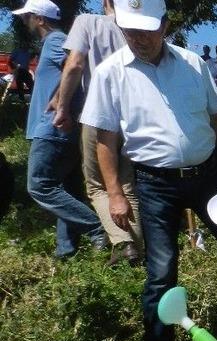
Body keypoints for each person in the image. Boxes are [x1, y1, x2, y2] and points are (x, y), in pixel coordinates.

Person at [79, 0, 217, 341]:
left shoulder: (193, 64)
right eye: (130, 31)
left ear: (165, 25)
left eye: (147, 30)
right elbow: (105, 140)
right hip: (155, 183)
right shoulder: (110, 73)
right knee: (161, 269)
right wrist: (114, 193)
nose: (139, 38)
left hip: (208, 175)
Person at [13, 0, 107, 259]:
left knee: (39, 185)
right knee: (67, 188)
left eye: (27, 17)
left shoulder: (56, 41)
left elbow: (75, 64)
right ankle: (66, 250)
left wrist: (60, 102)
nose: (25, 22)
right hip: (60, 126)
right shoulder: (53, 43)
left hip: (53, 127)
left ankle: (97, 228)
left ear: (40, 19)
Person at [51, 0, 141, 267]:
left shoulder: (87, 22)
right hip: (132, 113)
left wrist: (62, 106)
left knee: (97, 185)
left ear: (105, 2)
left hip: (98, 112)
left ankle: (123, 243)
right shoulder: (136, 27)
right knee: (126, 183)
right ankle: (139, 249)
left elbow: (75, 63)